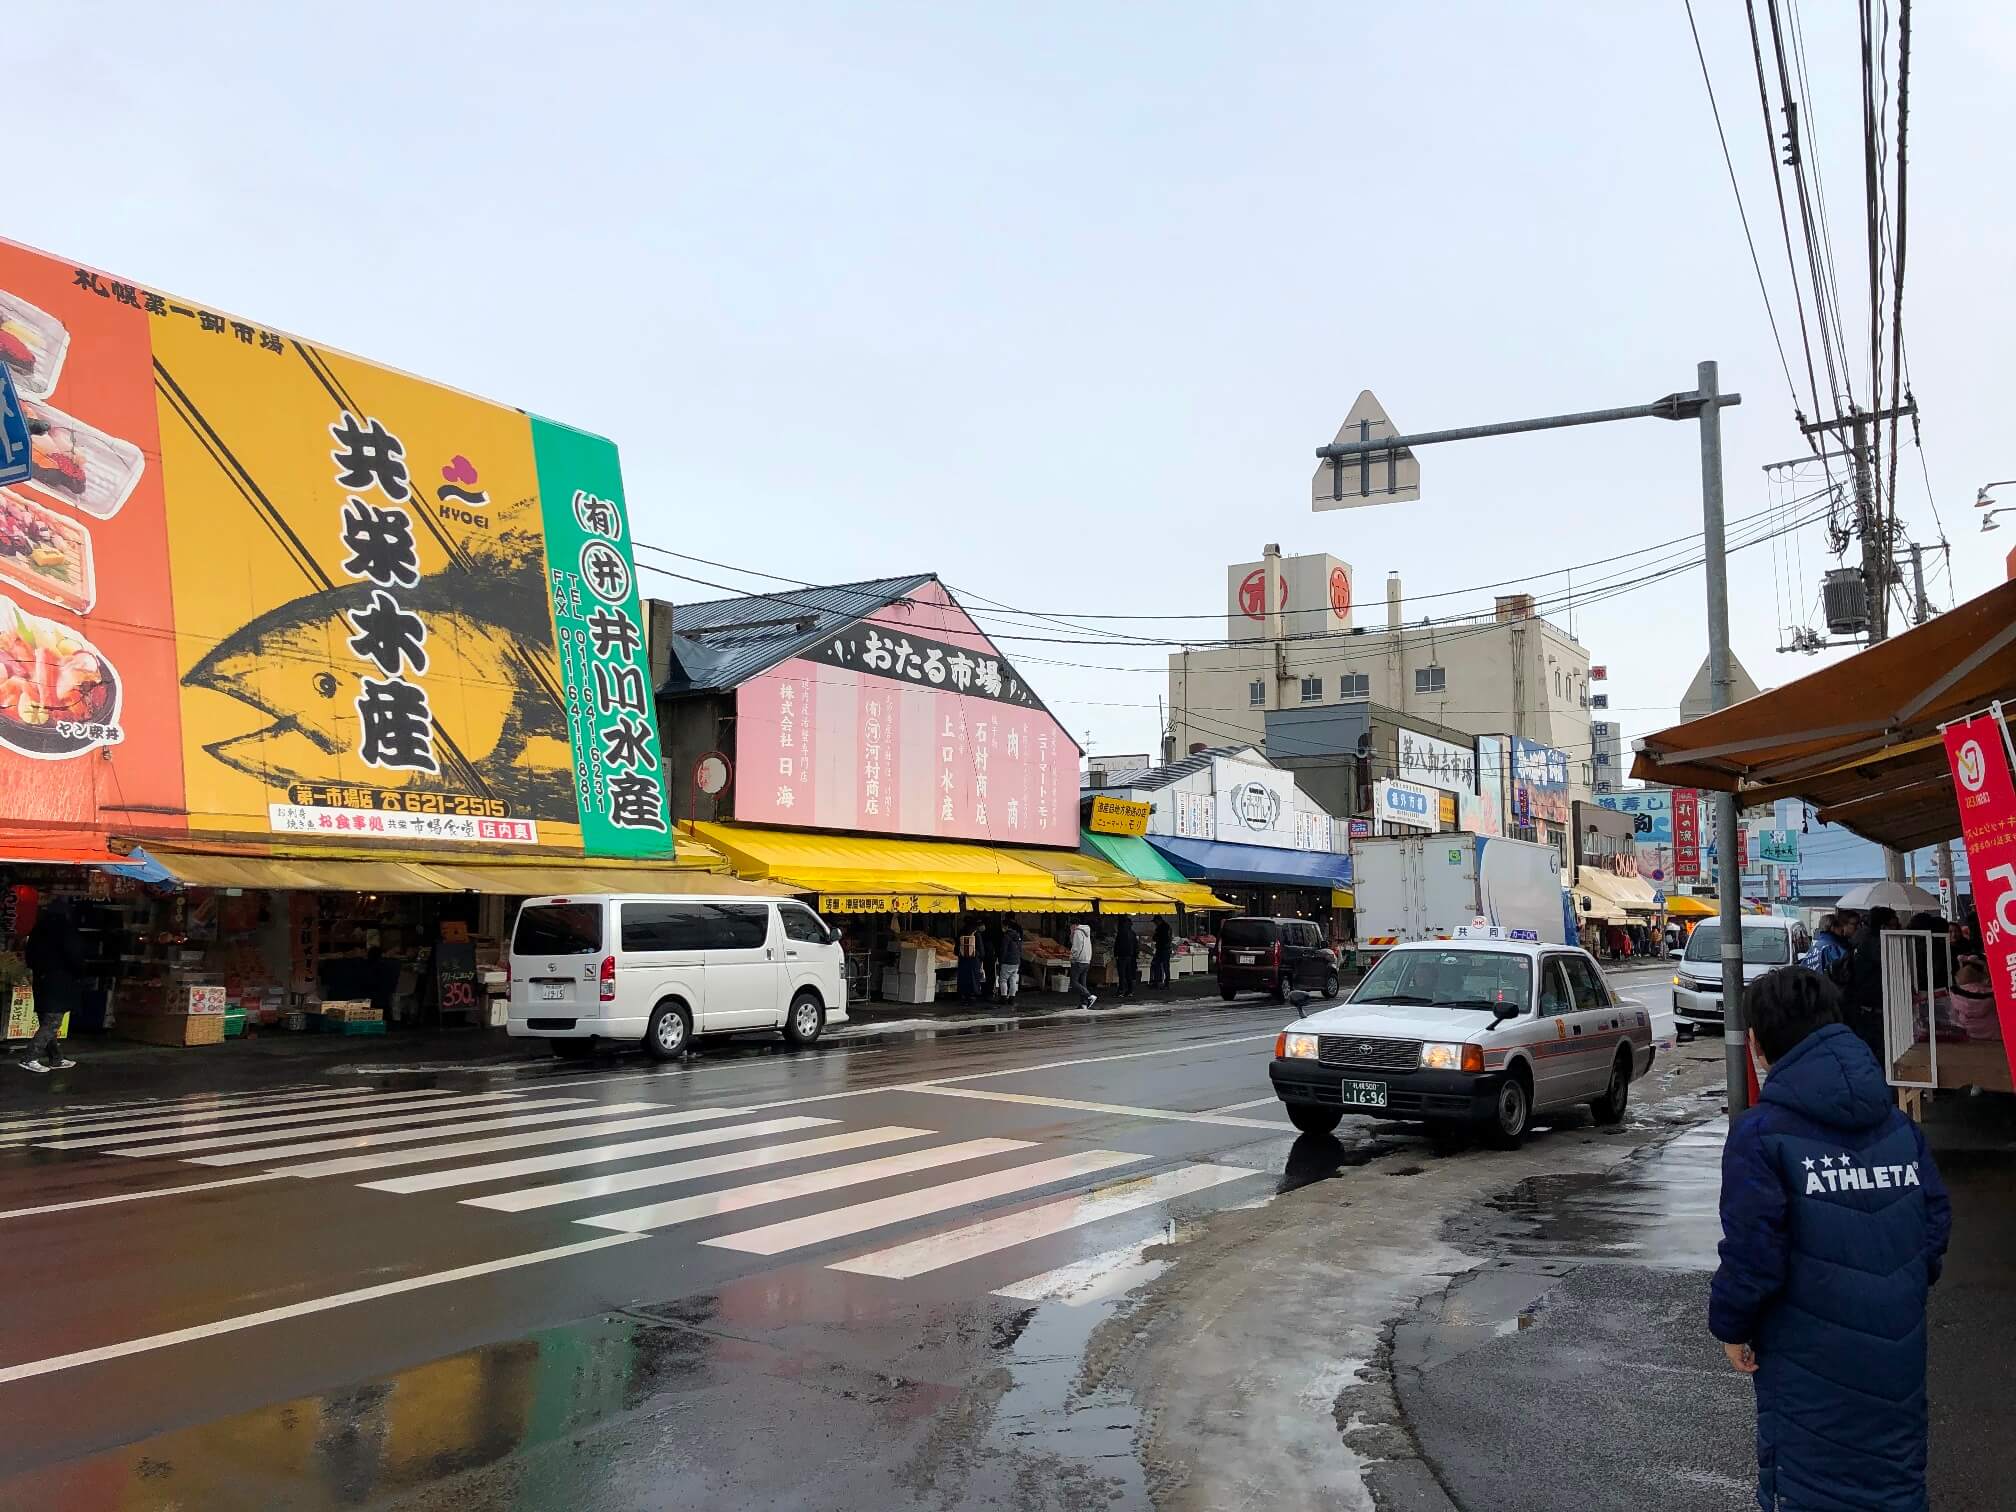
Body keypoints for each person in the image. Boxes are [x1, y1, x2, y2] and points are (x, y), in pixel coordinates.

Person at [1710, 965, 1950, 1512]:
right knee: (1895, 1483)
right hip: (1896, 1353)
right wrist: (1901, 1285)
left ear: (1760, 1043)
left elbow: (1753, 1256)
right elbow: (1934, 1223)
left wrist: (1732, 1325)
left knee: (1809, 1483)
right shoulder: (1897, 1127)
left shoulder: (1760, 1136)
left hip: (1805, 1364)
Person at [21, 899, 85, 1074]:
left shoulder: (39, 929)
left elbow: (29, 955)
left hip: (41, 978)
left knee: (46, 1019)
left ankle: (56, 1058)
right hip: (60, 981)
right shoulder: (65, 930)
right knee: (52, 1021)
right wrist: (79, 972)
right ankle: (29, 1058)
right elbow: (74, 955)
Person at [1842, 906, 1897, 1062]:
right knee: (1877, 1053)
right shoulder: (1876, 945)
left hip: (1861, 1006)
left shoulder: (1859, 939)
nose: (1897, 928)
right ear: (1883, 926)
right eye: (1893, 925)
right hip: (1872, 1007)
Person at [1069, 920, 1097, 1009]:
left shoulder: (1078, 932)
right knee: (1082, 982)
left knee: (1074, 982)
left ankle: (1089, 996)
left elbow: (1076, 947)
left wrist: (1073, 957)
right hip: (1087, 960)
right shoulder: (1086, 931)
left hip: (1079, 960)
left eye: (1070, 927)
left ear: (1074, 925)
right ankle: (1084, 1003)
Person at [998, 919, 1024, 1004]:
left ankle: (1003, 998)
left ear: (1006, 926)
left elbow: (1003, 950)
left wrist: (1001, 960)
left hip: (1007, 961)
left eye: (1003, 926)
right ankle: (1012, 998)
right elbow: (1020, 949)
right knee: (1013, 980)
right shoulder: (1018, 936)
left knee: (1003, 980)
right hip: (1016, 961)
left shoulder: (1006, 936)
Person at [955, 919, 981, 1005]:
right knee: (973, 978)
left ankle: (963, 995)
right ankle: (972, 996)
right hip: (974, 961)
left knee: (963, 978)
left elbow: (956, 950)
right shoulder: (976, 934)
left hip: (963, 961)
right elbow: (982, 951)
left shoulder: (961, 933)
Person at [1113, 917, 1139, 1000]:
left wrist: (1115, 954)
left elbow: (1117, 945)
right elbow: (1136, 945)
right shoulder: (1132, 933)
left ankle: (1121, 990)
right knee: (1129, 974)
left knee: (1122, 974)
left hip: (1122, 956)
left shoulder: (1121, 933)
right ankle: (1130, 990)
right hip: (1130, 956)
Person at [981, 916, 1002, 1002]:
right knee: (990, 974)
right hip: (990, 956)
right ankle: (988, 991)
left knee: (986, 974)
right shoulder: (993, 932)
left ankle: (986, 991)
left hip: (987, 956)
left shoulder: (983, 934)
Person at [1150, 915, 1174, 991]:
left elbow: (1156, 938)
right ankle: (1163, 983)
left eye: (1155, 922)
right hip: (1165, 949)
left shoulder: (1161, 928)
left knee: (1160, 965)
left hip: (1162, 949)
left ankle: (1160, 983)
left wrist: (1156, 938)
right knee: (1164, 966)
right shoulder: (1167, 927)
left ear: (1158, 920)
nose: (1155, 924)